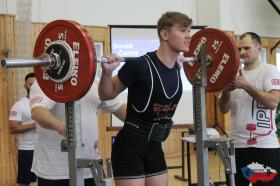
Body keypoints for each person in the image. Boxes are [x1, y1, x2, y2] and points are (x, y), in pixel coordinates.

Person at [98, 11, 192, 186]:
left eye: (189, 31)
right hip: (130, 146)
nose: (189, 36)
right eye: (183, 30)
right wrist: (106, 73)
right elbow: (106, 94)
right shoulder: (140, 65)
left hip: (154, 146)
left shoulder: (177, 68)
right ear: (164, 34)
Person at [29, 77, 126, 186]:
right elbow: (37, 112)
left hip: (92, 167)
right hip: (56, 170)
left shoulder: (94, 81)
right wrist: (61, 127)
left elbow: (122, 111)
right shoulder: (45, 82)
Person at [218, 32, 280, 185]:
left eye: (246, 48)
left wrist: (245, 85)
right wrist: (226, 90)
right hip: (237, 145)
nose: (241, 52)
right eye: (239, 49)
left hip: (264, 146)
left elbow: (273, 102)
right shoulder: (233, 74)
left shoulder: (269, 70)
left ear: (259, 49)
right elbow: (223, 109)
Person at [9, 72, 37, 186]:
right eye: (31, 84)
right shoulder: (19, 105)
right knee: (25, 182)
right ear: (25, 86)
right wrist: (34, 125)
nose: (34, 87)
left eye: (36, 84)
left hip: (45, 149)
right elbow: (13, 128)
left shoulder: (47, 103)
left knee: (48, 180)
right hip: (28, 150)